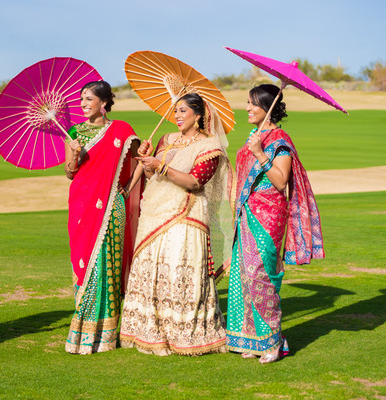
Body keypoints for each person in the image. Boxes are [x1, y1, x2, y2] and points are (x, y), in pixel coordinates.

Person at [119, 93, 234, 356]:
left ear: (198, 114)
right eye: (176, 111)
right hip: (155, 213)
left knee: (176, 269)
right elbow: (151, 176)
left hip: (187, 214)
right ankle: (149, 331)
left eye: (183, 111)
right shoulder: (166, 139)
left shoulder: (209, 146)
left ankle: (183, 334)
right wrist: (147, 160)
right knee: (153, 270)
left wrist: (160, 166)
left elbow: (195, 182)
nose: (178, 116)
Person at [226, 84, 325, 363]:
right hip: (247, 213)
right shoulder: (254, 136)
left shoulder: (279, 138)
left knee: (262, 274)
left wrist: (259, 152)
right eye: (247, 102)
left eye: (253, 103)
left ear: (268, 106)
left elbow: (281, 181)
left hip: (268, 215)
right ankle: (253, 339)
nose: (247, 107)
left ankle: (275, 343)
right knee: (243, 275)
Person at [64, 81, 142, 354]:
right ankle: (84, 326)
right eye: (81, 99)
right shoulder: (74, 133)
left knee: (108, 262)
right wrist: (74, 153)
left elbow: (141, 161)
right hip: (82, 205)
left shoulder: (122, 130)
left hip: (112, 204)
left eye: (88, 99)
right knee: (84, 260)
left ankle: (107, 331)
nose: (83, 104)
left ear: (104, 103)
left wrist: (127, 189)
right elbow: (70, 173)